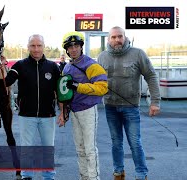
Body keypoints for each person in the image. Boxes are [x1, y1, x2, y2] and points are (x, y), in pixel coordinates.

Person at [97, 26, 160, 180]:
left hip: (131, 107)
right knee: (116, 142)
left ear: (125, 37)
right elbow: (96, 82)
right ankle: (118, 172)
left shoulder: (138, 54)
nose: (117, 40)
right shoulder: (102, 57)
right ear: (109, 39)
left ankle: (141, 174)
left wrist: (155, 102)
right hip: (110, 107)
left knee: (135, 142)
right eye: (113, 37)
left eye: (120, 36)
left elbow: (151, 76)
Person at [0, 34, 61, 180]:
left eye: (39, 45)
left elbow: (60, 91)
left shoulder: (53, 67)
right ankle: (27, 175)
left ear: (43, 46)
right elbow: (6, 83)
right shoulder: (20, 65)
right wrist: (1, 69)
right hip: (27, 115)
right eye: (33, 45)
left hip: (48, 115)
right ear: (28, 47)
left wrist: (62, 112)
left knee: (47, 148)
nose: (36, 49)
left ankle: (48, 176)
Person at [57, 31, 108, 180]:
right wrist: (64, 111)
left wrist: (78, 86)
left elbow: (102, 88)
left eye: (76, 46)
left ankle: (94, 178)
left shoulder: (91, 64)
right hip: (73, 111)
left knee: (90, 148)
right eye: (70, 47)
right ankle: (84, 177)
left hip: (88, 110)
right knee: (79, 148)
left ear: (81, 47)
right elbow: (65, 93)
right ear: (67, 50)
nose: (73, 49)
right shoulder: (66, 68)